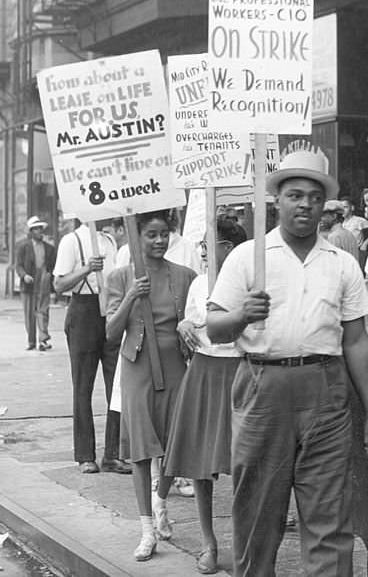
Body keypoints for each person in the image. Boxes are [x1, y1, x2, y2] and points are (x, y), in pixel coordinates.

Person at [206, 150, 368, 576]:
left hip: (326, 391)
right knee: (257, 515)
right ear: (277, 201)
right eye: (294, 195)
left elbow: (356, 340)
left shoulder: (341, 264)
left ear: (325, 205)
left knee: (329, 519)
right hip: (262, 388)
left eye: (313, 196)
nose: (304, 204)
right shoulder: (249, 257)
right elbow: (213, 328)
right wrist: (240, 315)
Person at [105, 210, 198, 562]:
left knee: (175, 446)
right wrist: (130, 296)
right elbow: (111, 334)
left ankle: (161, 502)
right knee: (142, 451)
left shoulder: (185, 276)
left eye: (164, 234)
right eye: (151, 235)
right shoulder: (119, 277)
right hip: (136, 369)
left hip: (175, 367)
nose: (159, 241)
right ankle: (147, 531)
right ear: (137, 237)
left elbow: (197, 320)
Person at [164, 217, 247, 574]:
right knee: (200, 464)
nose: (201, 251)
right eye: (199, 245)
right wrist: (183, 324)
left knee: (244, 464)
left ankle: (242, 544)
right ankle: (209, 543)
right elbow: (191, 326)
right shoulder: (199, 283)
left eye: (206, 245)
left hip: (239, 372)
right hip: (203, 372)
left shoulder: (248, 280)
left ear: (228, 248)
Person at [52, 213, 131, 476]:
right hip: (83, 311)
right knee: (83, 387)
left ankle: (113, 454)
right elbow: (59, 283)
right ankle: (85, 455)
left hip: (109, 311)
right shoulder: (71, 241)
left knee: (117, 386)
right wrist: (86, 268)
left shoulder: (109, 240)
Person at [15, 216, 57, 352]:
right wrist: (24, 276)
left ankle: (43, 340)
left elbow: (53, 265)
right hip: (29, 284)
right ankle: (31, 341)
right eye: (37, 229)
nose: (40, 231)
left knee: (43, 311)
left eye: (41, 229)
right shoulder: (23, 247)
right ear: (31, 231)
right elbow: (18, 266)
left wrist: (50, 275)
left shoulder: (49, 248)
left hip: (43, 281)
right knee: (29, 313)